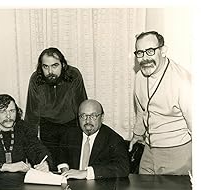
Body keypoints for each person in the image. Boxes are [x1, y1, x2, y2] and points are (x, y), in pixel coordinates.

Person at [129, 31, 192, 175]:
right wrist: (137, 135)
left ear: (163, 51)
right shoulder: (139, 77)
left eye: (150, 51)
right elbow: (142, 111)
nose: (145, 58)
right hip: (149, 150)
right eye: (140, 53)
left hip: (178, 152)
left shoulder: (182, 80)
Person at [24, 47, 87, 162]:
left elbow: (82, 106)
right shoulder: (35, 79)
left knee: (72, 164)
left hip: (71, 125)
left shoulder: (74, 75)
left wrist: (85, 135)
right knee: (50, 164)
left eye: (54, 66)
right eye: (45, 67)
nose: (50, 72)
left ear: (63, 65)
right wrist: (29, 145)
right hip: (47, 127)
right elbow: (31, 115)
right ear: (40, 67)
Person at [0, 94, 53, 175]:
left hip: (18, 184)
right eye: (3, 111)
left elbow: (37, 149)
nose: (8, 116)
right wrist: (5, 167)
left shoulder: (22, 128)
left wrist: (45, 163)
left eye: (12, 111)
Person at [58, 99, 129, 180]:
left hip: (99, 188)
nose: (88, 121)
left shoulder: (114, 139)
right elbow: (61, 156)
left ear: (102, 118)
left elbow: (123, 167)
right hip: (72, 185)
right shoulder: (70, 134)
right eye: (83, 116)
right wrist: (64, 168)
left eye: (93, 116)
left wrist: (87, 173)